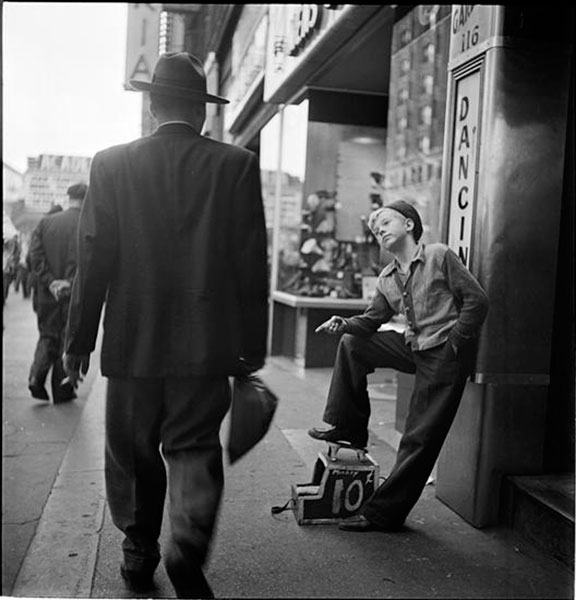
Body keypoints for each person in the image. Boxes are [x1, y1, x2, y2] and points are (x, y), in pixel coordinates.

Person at [63, 52, 268, 599]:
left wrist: (78, 340)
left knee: (131, 448)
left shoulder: (111, 163)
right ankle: (187, 543)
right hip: (208, 343)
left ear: (153, 106)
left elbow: (94, 257)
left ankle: (138, 549)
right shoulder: (236, 165)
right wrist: (253, 346)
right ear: (202, 113)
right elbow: (252, 262)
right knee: (194, 445)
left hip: (132, 339)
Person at [309, 200, 489, 532]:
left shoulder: (438, 255)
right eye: (375, 229)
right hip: (414, 347)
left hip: (445, 354)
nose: (379, 230)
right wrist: (344, 323)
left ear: (408, 224)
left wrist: (455, 343)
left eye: (385, 223)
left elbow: (477, 300)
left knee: (418, 438)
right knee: (353, 344)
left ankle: (384, 515)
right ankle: (348, 428)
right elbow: (371, 321)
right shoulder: (387, 276)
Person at [27, 183, 87, 402]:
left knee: (47, 335)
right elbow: (90, 262)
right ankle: (62, 389)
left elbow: (35, 257)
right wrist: (69, 283)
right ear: (86, 198)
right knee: (66, 339)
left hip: (46, 295)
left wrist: (51, 282)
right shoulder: (88, 223)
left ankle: (36, 376)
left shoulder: (45, 222)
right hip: (74, 294)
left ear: (68, 197)